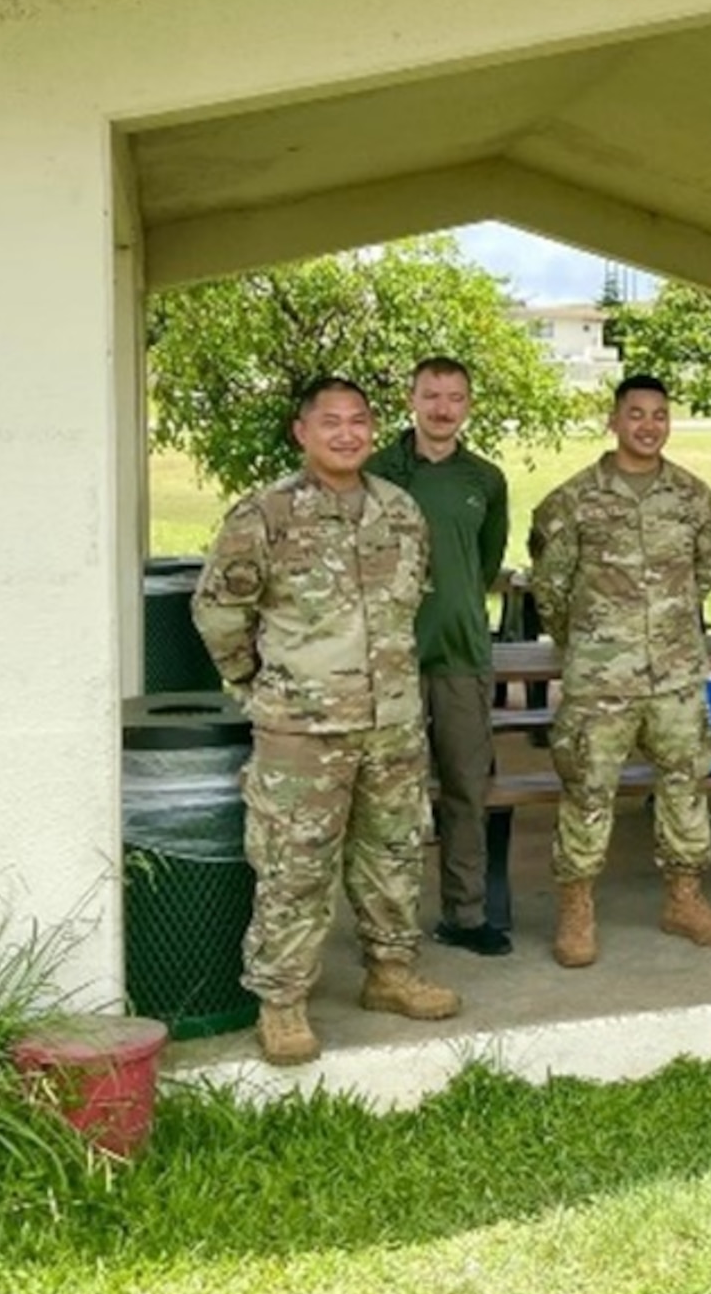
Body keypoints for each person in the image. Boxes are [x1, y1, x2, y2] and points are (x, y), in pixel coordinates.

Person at [192, 376, 459, 1066]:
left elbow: (410, 604)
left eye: (359, 421)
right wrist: (256, 683)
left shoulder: (400, 511)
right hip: (301, 729)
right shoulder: (266, 514)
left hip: (392, 722)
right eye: (331, 421)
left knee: (392, 854)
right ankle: (282, 1003)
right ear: (301, 432)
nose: (347, 433)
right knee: (294, 867)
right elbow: (219, 611)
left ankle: (391, 974)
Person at [528, 374, 711, 965]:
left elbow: (702, 577)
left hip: (674, 675)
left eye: (659, 415)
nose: (649, 425)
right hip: (601, 680)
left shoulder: (696, 500)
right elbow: (552, 590)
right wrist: (592, 646)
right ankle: (576, 908)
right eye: (636, 414)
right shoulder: (572, 501)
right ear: (614, 420)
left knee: (685, 786)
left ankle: (685, 900)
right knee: (588, 792)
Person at [365, 356, 512, 958]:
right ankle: (385, 927)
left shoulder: (485, 479)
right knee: (386, 799)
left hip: (460, 656)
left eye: (454, 397)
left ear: (467, 406)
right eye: (431, 396)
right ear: (411, 399)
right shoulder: (376, 473)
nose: (442, 408)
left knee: (465, 789)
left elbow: (484, 562)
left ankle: (465, 912)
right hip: (388, 658)